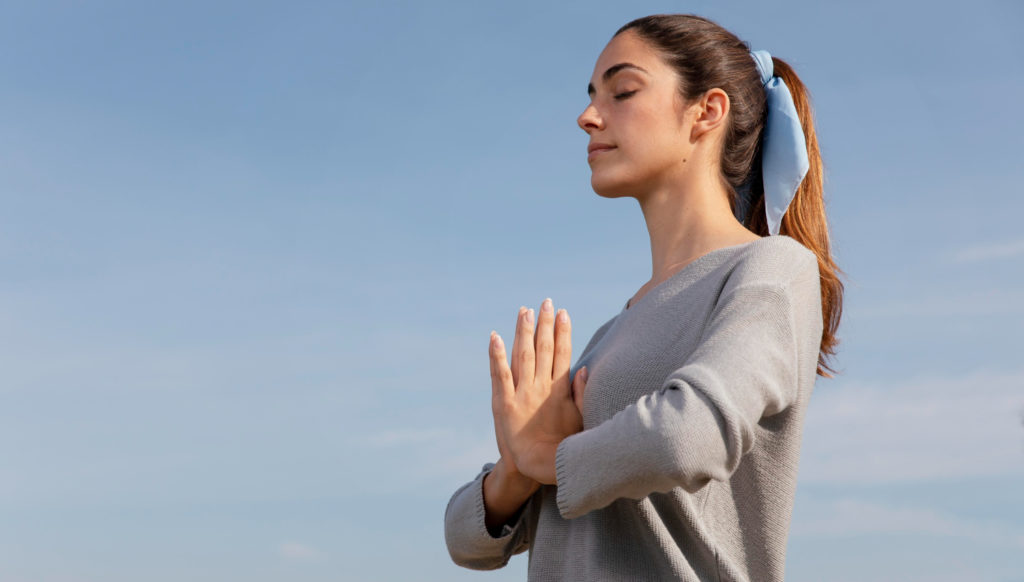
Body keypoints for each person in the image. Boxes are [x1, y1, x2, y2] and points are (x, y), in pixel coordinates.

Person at [443, 13, 843, 582]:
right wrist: (516, 469)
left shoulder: (771, 269)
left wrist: (549, 459)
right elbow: (466, 540)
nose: (588, 117)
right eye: (591, 96)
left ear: (706, 112)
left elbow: (688, 436)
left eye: (623, 91)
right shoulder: (611, 336)